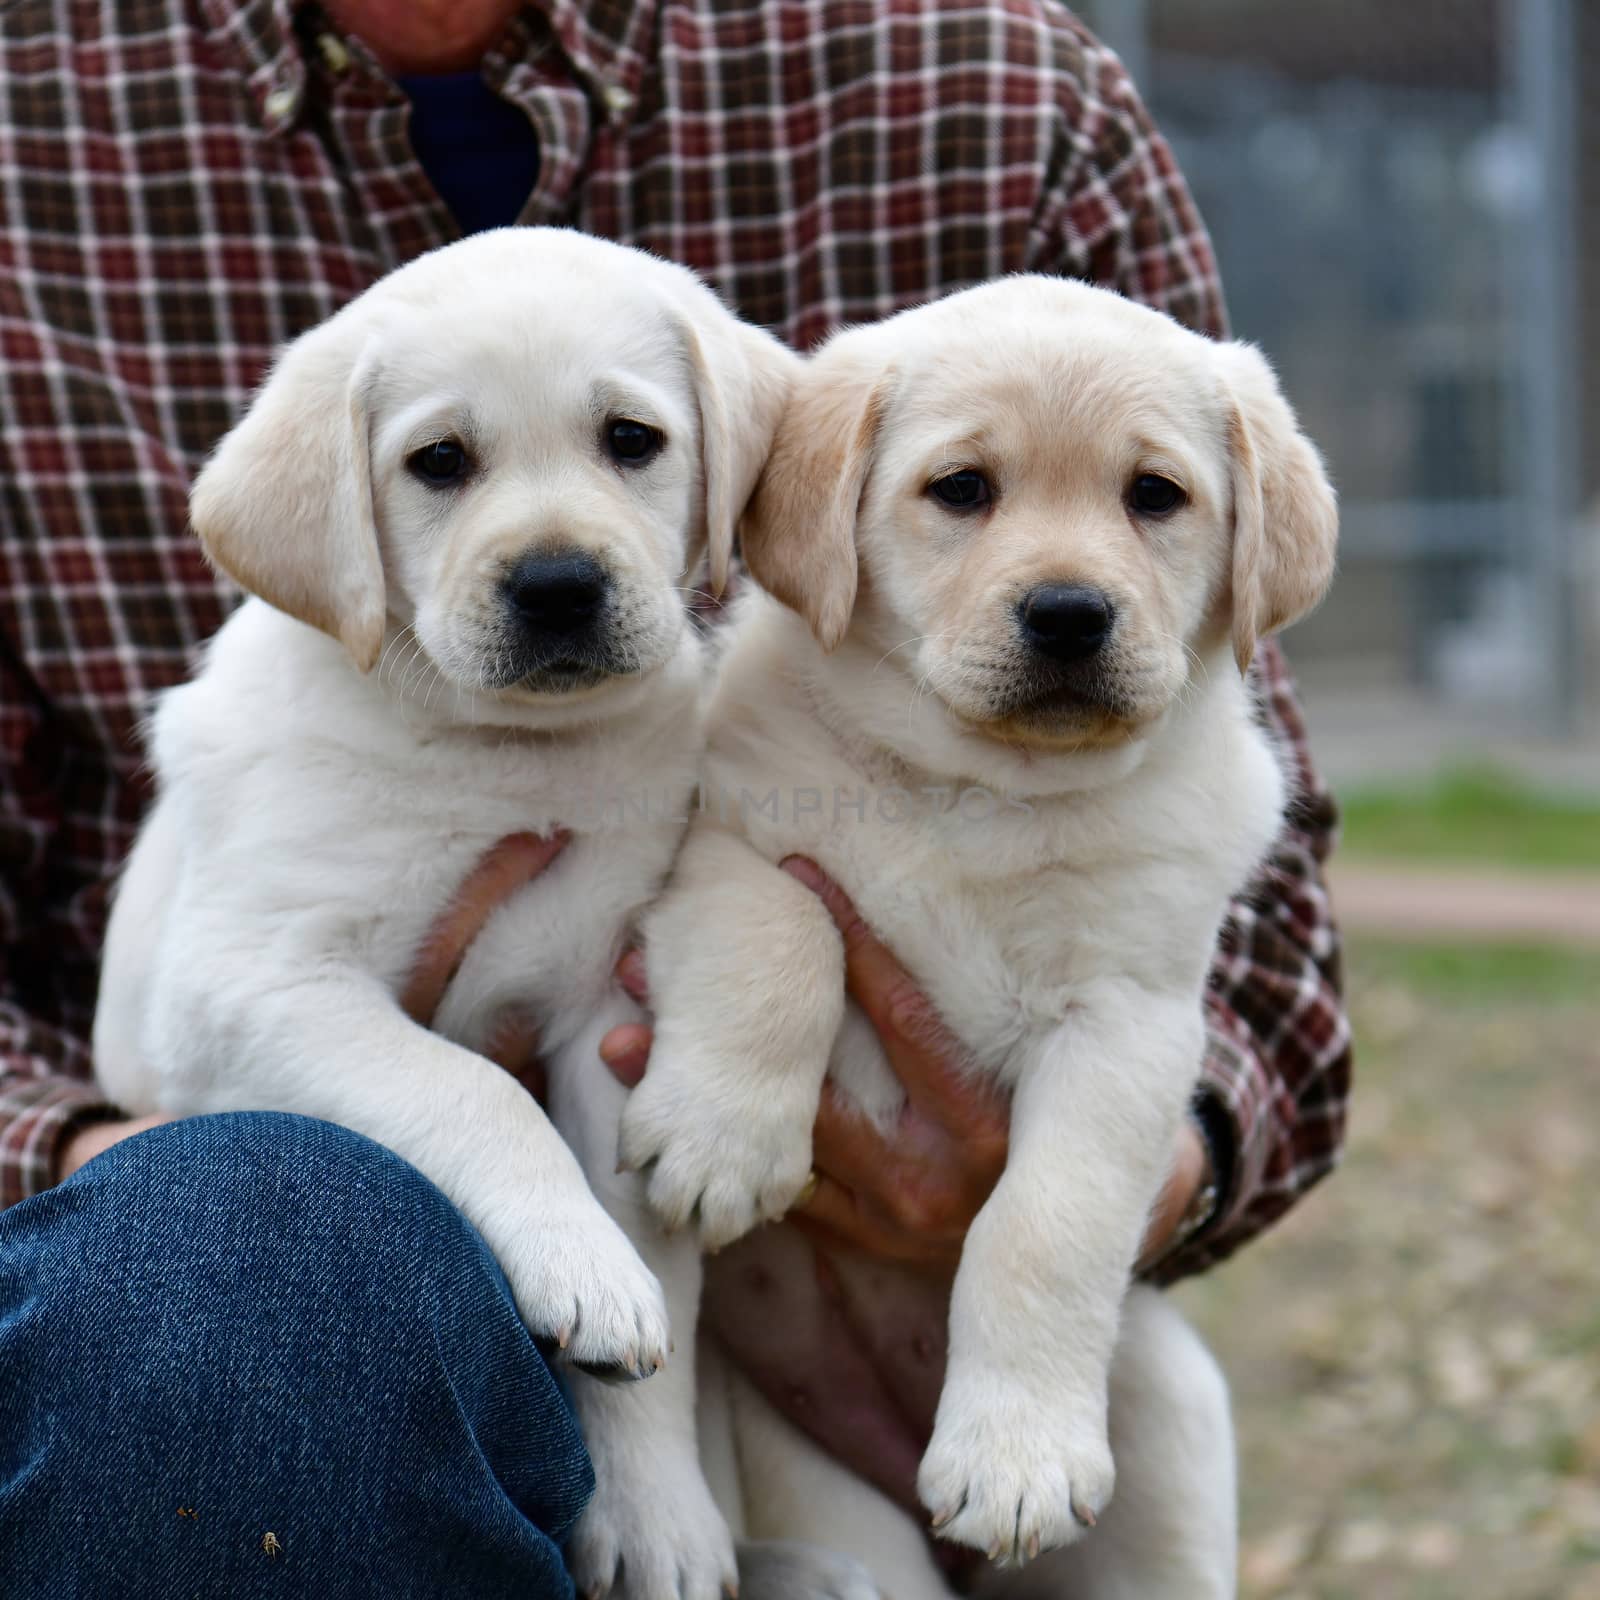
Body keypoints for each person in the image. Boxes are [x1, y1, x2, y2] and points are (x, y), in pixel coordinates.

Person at [0, 1, 1351, 1592]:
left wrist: (1047, 1207)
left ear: (740, 484)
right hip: (196, 1260)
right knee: (236, 1262)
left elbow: (1254, 968)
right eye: (443, 467)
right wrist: (97, 1160)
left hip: (748, 1318)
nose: (559, 549)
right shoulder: (40, 105)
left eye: (636, 446)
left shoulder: (986, 89)